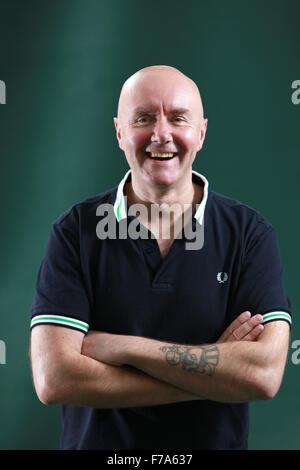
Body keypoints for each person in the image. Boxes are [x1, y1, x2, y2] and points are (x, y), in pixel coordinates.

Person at [30, 65, 292, 450]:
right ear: (120, 132)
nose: (161, 134)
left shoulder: (250, 234)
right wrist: (213, 375)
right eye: (144, 118)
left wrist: (124, 348)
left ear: (201, 132)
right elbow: (55, 378)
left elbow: (263, 375)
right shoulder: (75, 232)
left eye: (178, 118)